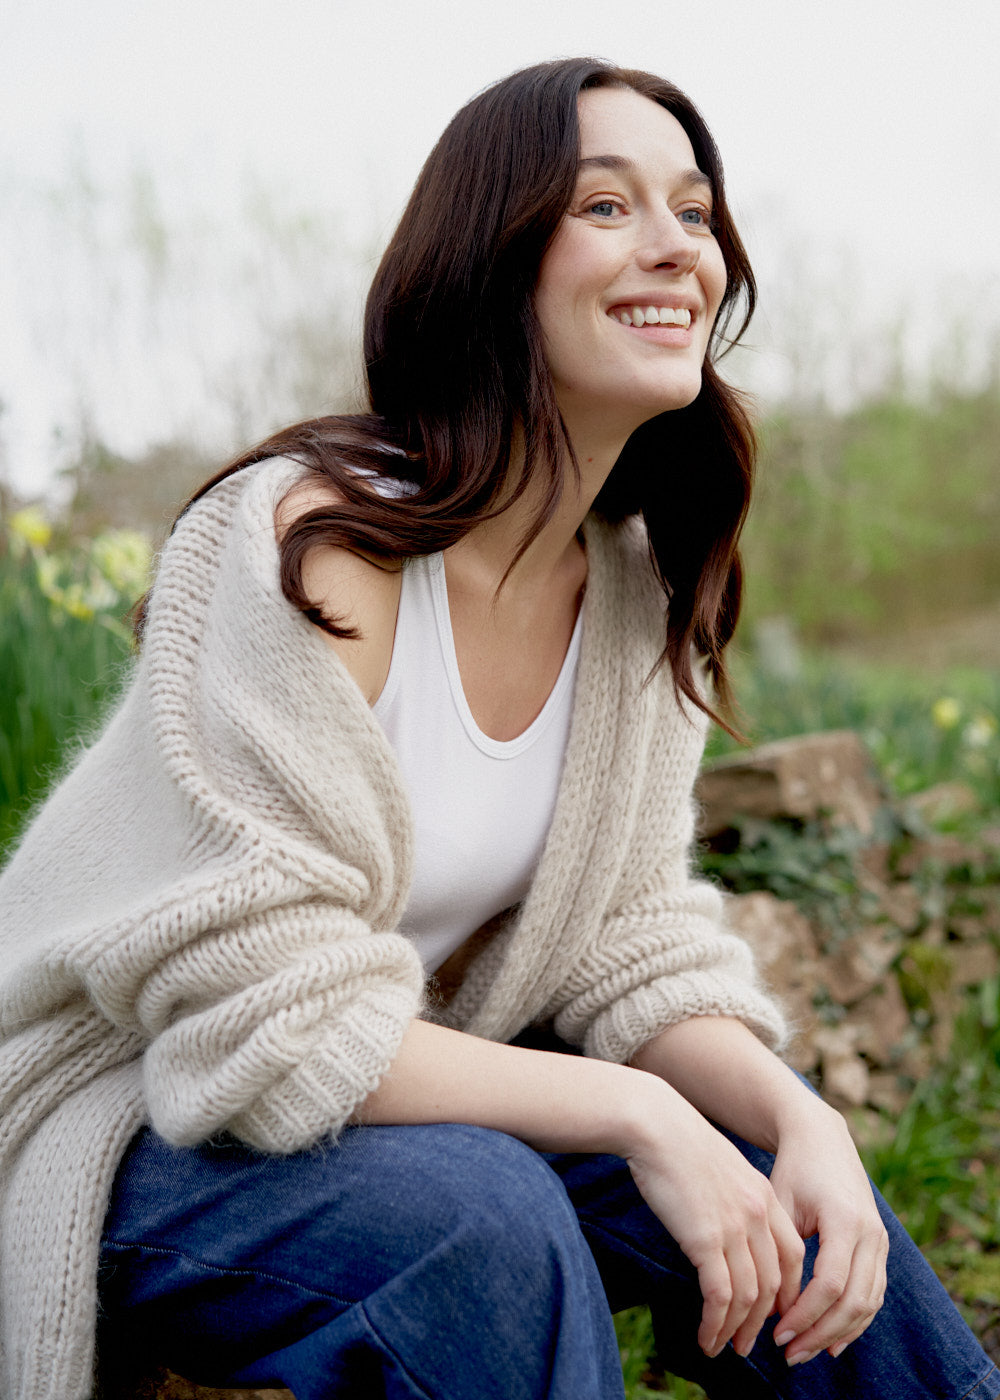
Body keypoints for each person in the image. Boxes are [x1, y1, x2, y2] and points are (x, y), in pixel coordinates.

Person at [0, 57, 996, 1400]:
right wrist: (637, 1110)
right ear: (490, 261)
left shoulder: (633, 587)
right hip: (135, 1104)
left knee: (782, 1177)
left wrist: (798, 1116)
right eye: (606, 206)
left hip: (374, 1100)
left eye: (696, 212)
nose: (675, 248)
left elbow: (626, 940)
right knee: (488, 1219)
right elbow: (260, 1013)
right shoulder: (311, 545)